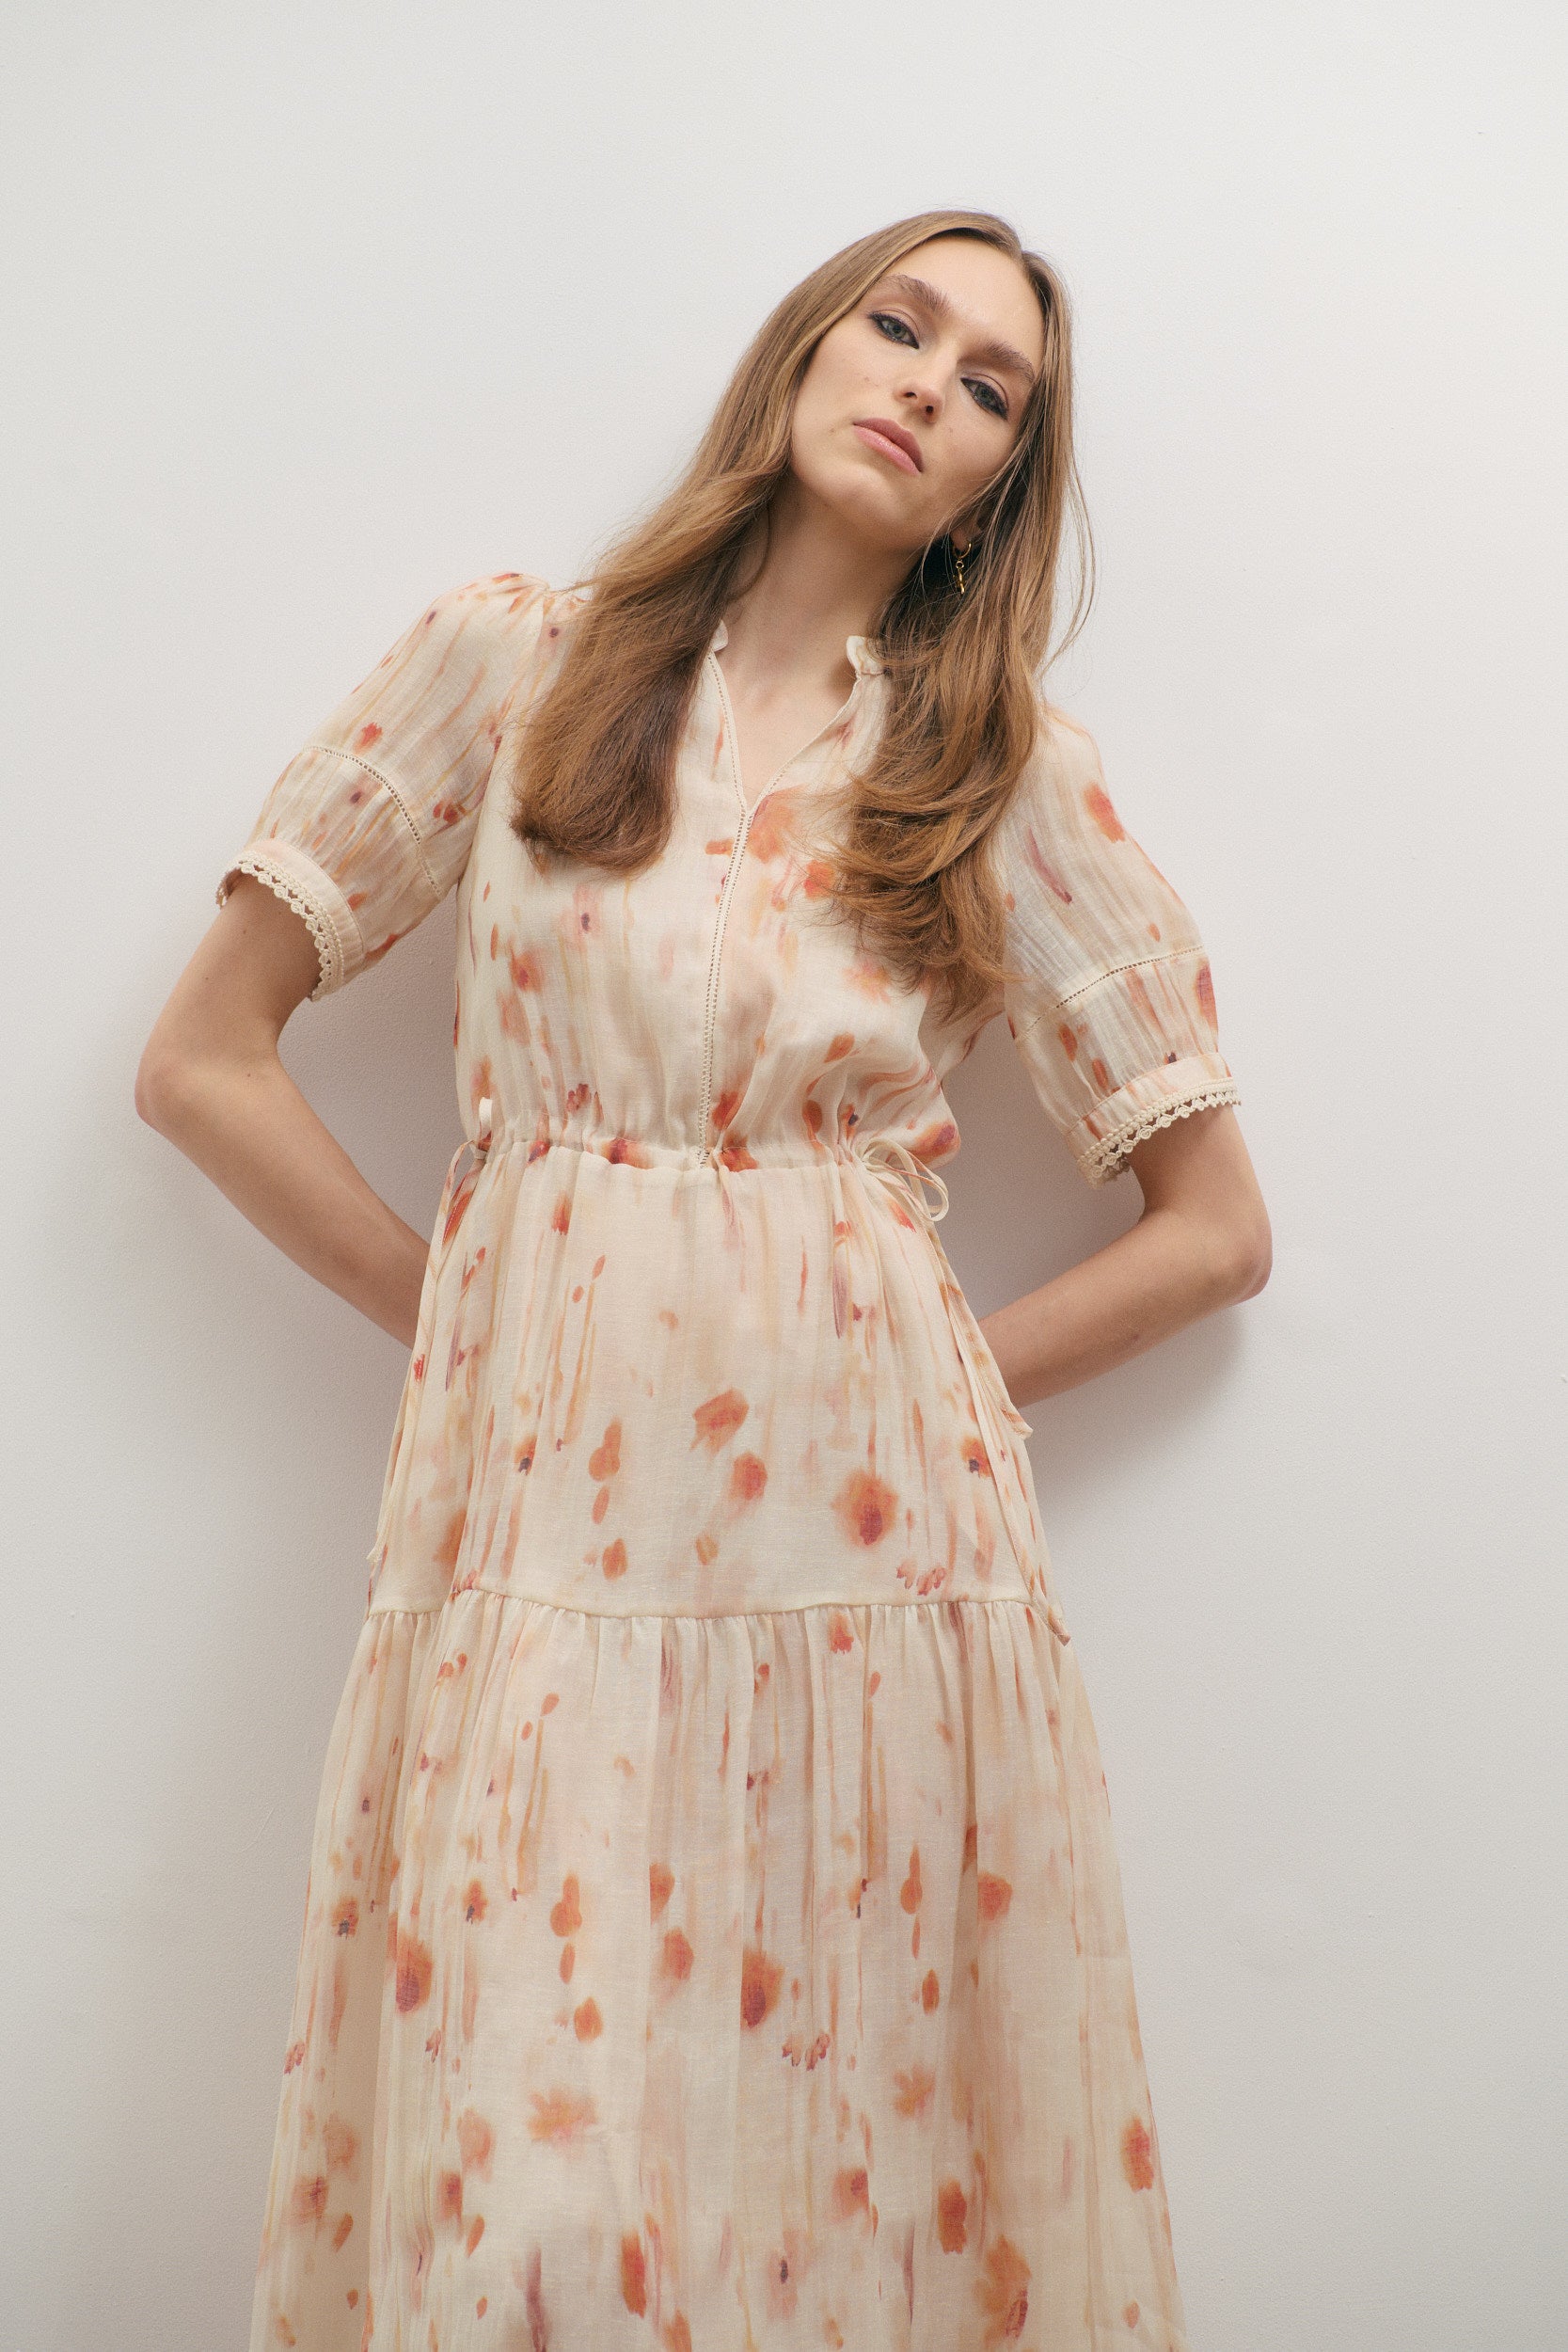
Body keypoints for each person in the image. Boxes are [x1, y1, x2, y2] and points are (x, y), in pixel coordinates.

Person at [137, 206, 1269, 2352]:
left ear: (992, 490)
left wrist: (928, 1387)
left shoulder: (998, 775)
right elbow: (202, 1060)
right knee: (531, 2206)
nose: (930, 382)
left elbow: (1217, 1228)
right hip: (542, 1549)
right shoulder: (514, 660)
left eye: (992, 388)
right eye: (902, 324)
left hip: (875, 1574)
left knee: (861, 2180)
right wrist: (476, 1325)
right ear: (803, 349)